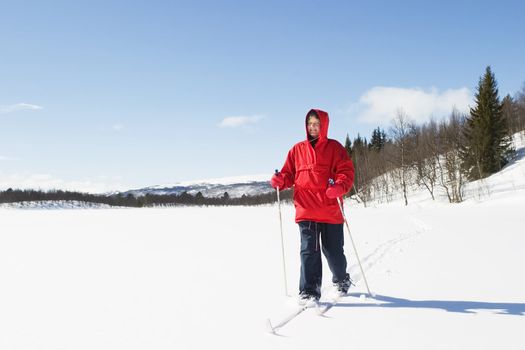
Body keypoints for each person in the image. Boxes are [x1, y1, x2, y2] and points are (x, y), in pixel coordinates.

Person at [270, 109, 355, 304]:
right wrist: (280, 180)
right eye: (310, 124)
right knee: (309, 250)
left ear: (324, 125)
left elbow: (346, 172)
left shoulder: (335, 148)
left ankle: (341, 278)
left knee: (333, 251)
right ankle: (309, 291)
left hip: (330, 210)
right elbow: (288, 174)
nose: (313, 127)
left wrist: (340, 186)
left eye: (316, 124)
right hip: (306, 209)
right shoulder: (297, 150)